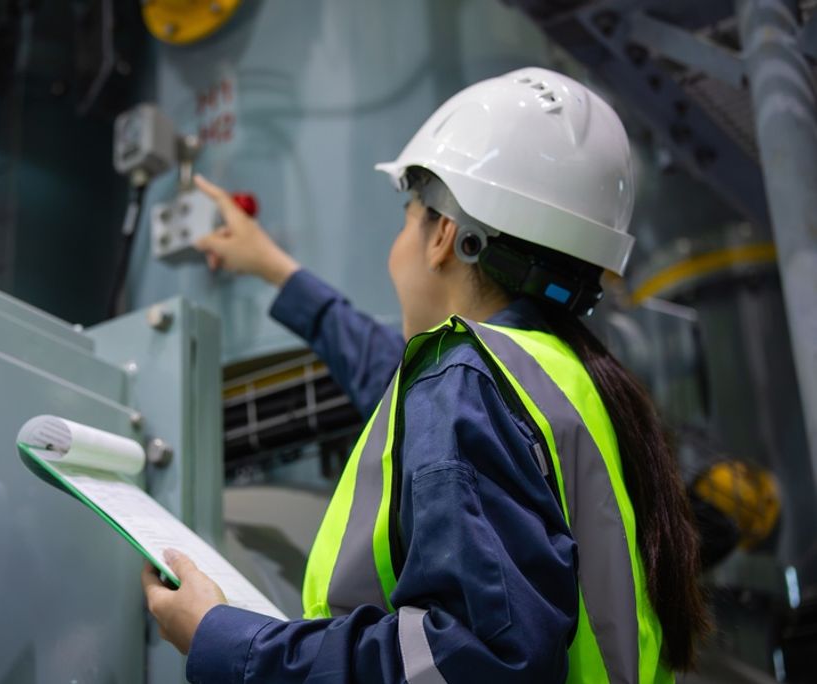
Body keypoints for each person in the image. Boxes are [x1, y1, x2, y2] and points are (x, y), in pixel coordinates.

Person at [141, 67, 709, 683]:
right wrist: (276, 268)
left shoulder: (464, 379)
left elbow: (470, 660)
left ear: (443, 235)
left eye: (405, 214)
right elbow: (389, 379)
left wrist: (229, 642)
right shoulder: (571, 385)